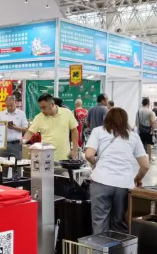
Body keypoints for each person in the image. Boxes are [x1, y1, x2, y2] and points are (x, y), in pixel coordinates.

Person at [85, 107, 149, 235]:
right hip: (123, 185)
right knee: (119, 223)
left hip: (101, 181)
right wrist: (137, 179)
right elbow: (145, 166)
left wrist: (95, 163)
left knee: (99, 222)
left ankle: (100, 247)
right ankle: (120, 247)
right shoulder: (133, 136)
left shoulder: (98, 131)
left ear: (107, 118)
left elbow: (88, 155)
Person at [22, 94, 78, 161]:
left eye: (44, 107)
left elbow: (74, 131)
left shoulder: (67, 113)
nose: (42, 110)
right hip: (46, 158)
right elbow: (30, 133)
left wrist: (74, 150)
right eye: (40, 108)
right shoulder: (38, 117)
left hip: (64, 158)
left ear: (52, 104)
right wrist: (23, 140)